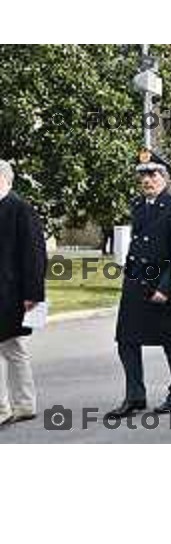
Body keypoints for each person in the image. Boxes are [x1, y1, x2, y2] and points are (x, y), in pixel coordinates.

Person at [107, 149, 171, 418]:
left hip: (163, 286)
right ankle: (135, 397)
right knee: (126, 340)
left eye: (152, 174)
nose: (147, 179)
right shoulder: (138, 205)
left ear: (165, 177)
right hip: (136, 285)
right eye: (142, 175)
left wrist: (164, 288)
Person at [0, 160, 47, 428]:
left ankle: (24, 404)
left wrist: (33, 294)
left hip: (12, 294)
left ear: (4, 179)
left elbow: (35, 256)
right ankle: (7, 406)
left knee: (13, 348)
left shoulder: (20, 209)